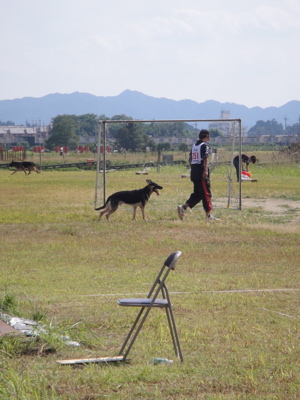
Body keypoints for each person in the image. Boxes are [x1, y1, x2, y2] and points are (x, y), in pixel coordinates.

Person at [177, 129, 219, 221]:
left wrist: (194, 171)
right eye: (209, 136)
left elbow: (190, 160)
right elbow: (205, 159)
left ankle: (183, 207)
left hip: (194, 172)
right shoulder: (204, 146)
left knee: (198, 194)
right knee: (206, 193)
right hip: (201, 172)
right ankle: (208, 215)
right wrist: (205, 171)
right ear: (206, 136)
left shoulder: (194, 146)